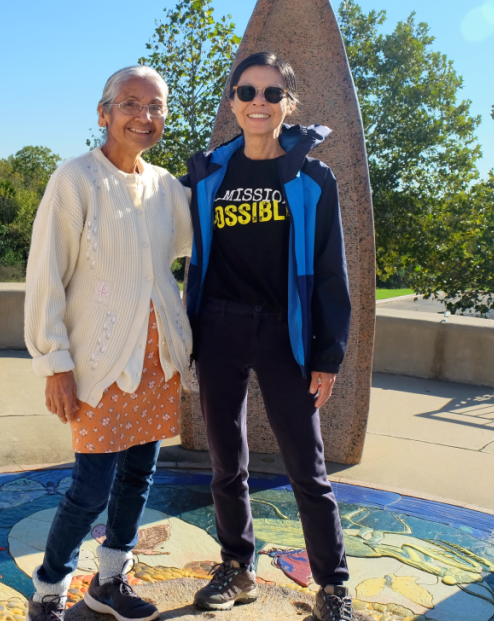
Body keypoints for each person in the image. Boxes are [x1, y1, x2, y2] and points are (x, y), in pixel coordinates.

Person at [180, 52, 355, 621]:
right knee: (226, 462)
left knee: (308, 468)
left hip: (285, 333)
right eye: (248, 91)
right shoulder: (209, 174)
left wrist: (327, 355)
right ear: (232, 100)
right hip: (219, 328)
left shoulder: (312, 179)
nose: (259, 102)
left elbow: (331, 271)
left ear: (289, 104)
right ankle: (238, 568)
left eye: (272, 94)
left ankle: (332, 586)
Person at [23, 65, 194, 621]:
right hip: (98, 363)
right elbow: (47, 273)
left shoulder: (167, 188)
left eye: (156, 106)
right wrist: (54, 362)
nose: (144, 117)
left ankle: (110, 583)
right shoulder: (75, 180)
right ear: (104, 113)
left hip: (156, 360)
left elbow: (209, 241)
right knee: (91, 489)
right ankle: (51, 586)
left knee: (139, 477)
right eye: (130, 104)